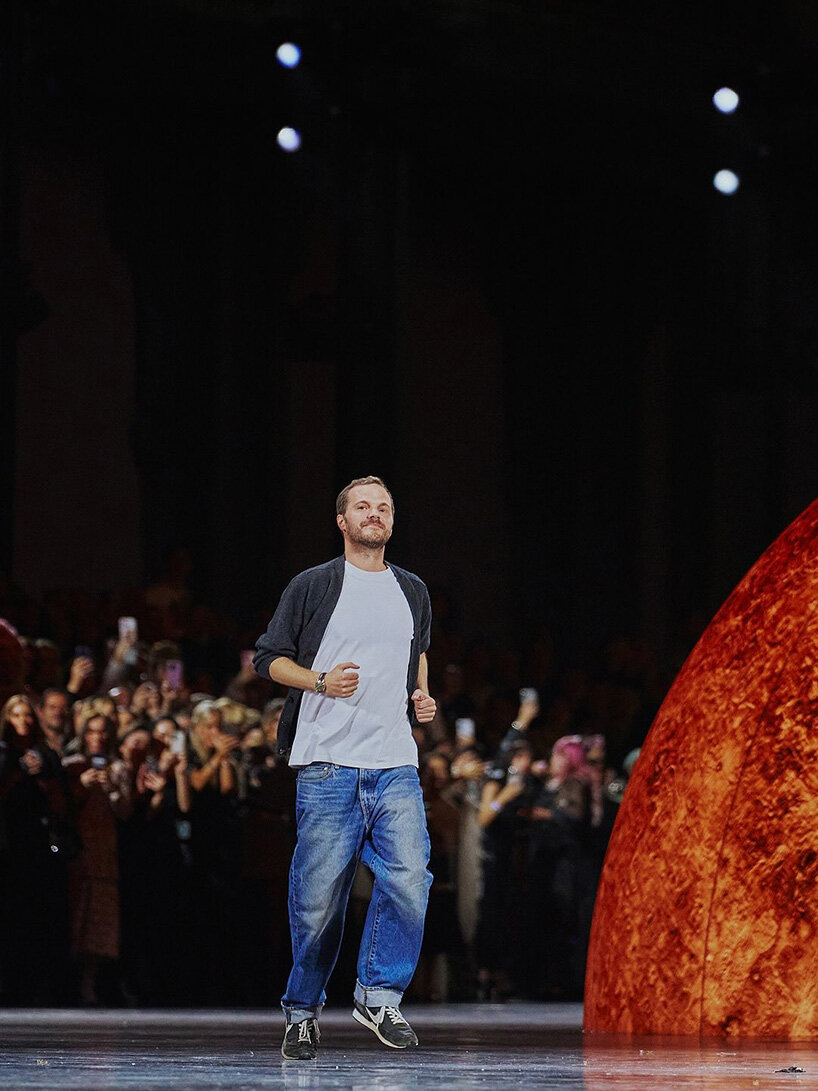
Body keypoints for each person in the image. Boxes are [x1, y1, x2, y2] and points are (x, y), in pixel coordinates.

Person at [253, 475, 436, 1059]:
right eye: (363, 506)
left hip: (394, 763)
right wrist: (320, 682)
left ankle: (378, 995)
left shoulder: (412, 589)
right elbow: (268, 658)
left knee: (410, 880)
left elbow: (416, 650)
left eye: (383, 507)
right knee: (317, 902)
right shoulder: (314, 585)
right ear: (342, 520)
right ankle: (302, 1011)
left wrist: (420, 695)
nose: (374, 514)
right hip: (328, 765)